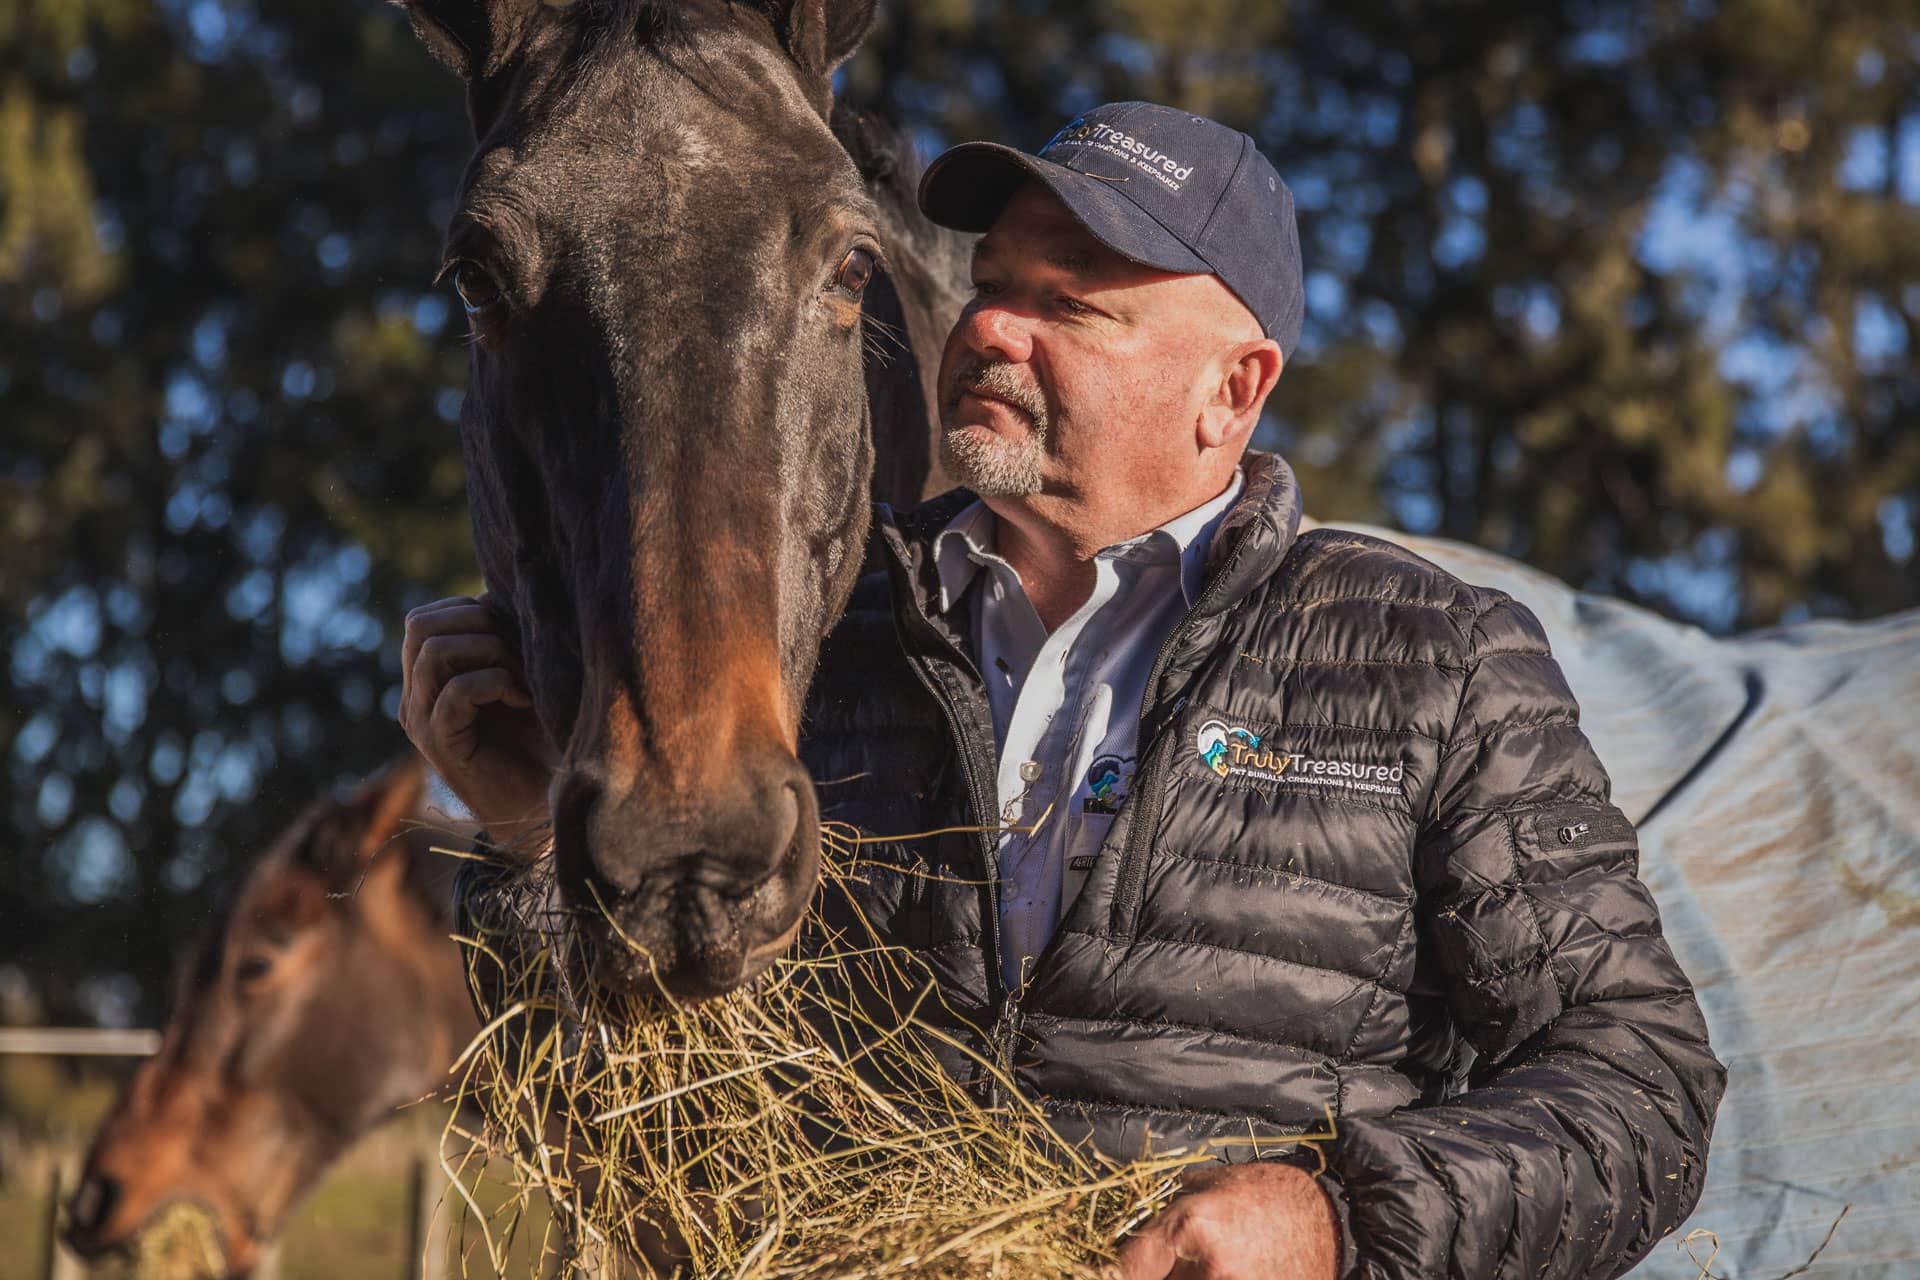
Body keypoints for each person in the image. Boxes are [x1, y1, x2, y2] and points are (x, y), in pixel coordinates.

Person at [401, 102, 1724, 1280]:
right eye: (990, 282)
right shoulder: (826, 646)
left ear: (1233, 391)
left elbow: (1642, 1090)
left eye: (1072, 301)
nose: (985, 327)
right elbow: (638, 1123)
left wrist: (1332, 1224)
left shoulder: (1432, 662)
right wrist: (535, 842)